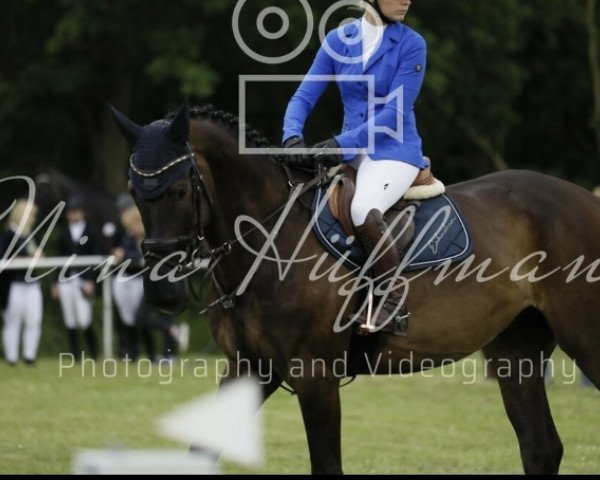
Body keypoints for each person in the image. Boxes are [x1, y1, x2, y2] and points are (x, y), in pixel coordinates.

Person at [282, 0, 426, 334]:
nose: (406, 0)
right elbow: (303, 97)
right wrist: (291, 138)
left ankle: (392, 302)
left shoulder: (412, 44)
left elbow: (394, 114)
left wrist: (338, 144)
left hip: (394, 151)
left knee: (363, 208)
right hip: (353, 155)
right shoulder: (337, 40)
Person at [51, 196, 102, 360]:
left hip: (83, 279)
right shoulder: (64, 233)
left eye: (77, 211)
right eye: (71, 212)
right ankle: (75, 355)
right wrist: (55, 283)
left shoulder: (92, 232)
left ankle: (94, 353)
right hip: (66, 279)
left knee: (84, 317)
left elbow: (95, 258)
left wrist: (91, 281)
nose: (74, 215)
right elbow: (58, 259)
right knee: (70, 318)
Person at [0, 200, 43, 365]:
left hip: (32, 285)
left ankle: (29, 356)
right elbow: (6, 258)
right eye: (30, 215)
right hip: (14, 285)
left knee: (34, 320)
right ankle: (11, 358)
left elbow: (40, 255)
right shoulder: (7, 236)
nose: (33, 219)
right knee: (12, 321)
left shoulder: (30, 235)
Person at [111, 202, 145, 360]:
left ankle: (136, 347)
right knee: (126, 316)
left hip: (139, 278)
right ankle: (128, 348)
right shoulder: (129, 236)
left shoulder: (146, 239)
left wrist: (124, 255)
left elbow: (138, 257)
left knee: (137, 316)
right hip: (126, 276)